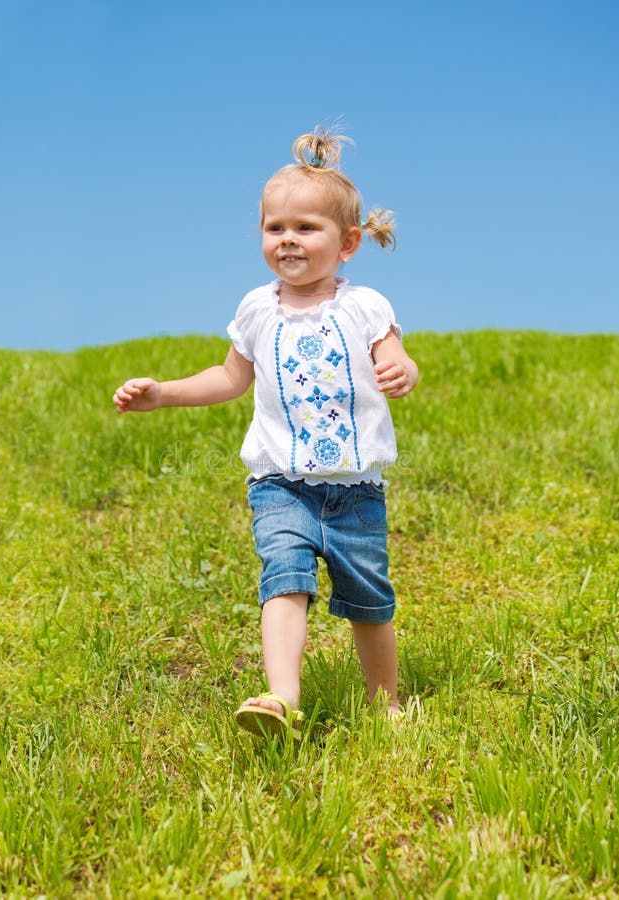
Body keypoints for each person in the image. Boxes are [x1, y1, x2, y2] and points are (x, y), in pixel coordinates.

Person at [113, 128, 419, 740]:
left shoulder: (364, 307)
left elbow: (398, 353)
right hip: (279, 484)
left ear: (349, 242)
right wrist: (165, 393)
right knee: (285, 577)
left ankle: (386, 705)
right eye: (275, 227)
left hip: (355, 490)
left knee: (369, 600)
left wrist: (402, 369)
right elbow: (229, 377)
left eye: (306, 228)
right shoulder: (257, 308)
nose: (288, 239)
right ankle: (281, 699)